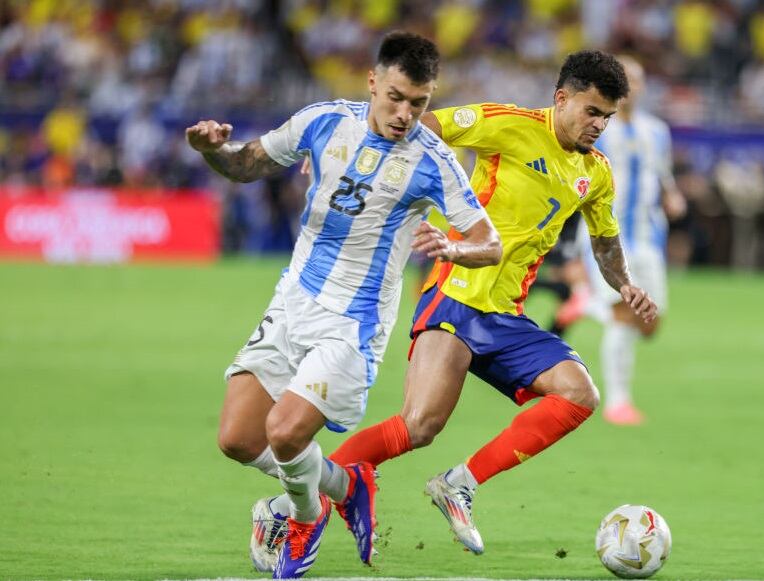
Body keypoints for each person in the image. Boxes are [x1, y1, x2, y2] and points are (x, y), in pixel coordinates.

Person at [186, 31, 501, 579]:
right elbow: (248, 164)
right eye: (396, 97)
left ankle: (305, 521)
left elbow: (488, 240)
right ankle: (344, 483)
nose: (405, 114)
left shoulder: (434, 161)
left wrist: (452, 247)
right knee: (237, 438)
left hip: (353, 323)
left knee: (285, 433)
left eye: (419, 103)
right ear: (373, 82)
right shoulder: (324, 121)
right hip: (293, 301)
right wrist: (214, 150)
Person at [327, 49, 658, 554]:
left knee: (578, 394)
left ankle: (458, 484)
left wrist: (625, 285)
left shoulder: (597, 172)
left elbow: (605, 240)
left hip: (505, 315)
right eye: (591, 112)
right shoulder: (508, 124)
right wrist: (397, 183)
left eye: (607, 117)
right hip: (457, 293)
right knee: (419, 426)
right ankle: (299, 504)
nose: (599, 125)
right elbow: (428, 127)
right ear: (561, 98)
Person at [590, 56, 687, 425]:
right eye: (624, 79)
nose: (631, 86)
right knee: (623, 316)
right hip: (609, 239)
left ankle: (586, 304)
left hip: (649, 238)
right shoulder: (600, 128)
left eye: (637, 80)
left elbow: (662, 174)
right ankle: (617, 402)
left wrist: (672, 196)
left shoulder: (657, 131)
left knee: (649, 323)